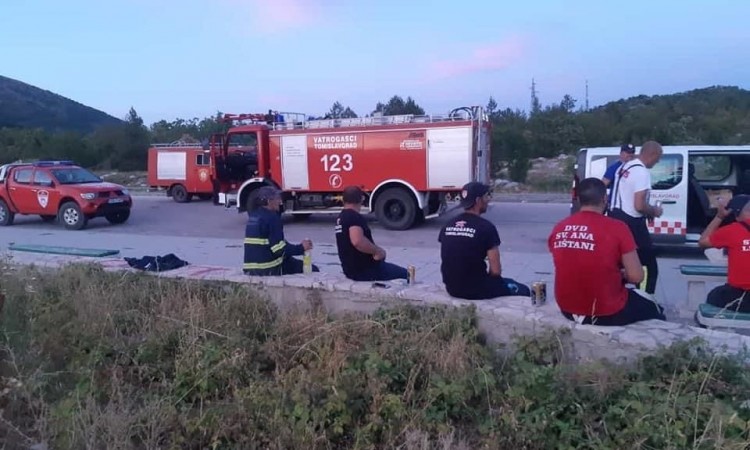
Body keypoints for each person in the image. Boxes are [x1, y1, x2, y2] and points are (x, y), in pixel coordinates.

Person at [548, 177, 666, 325]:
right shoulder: (618, 227)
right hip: (606, 311)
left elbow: (574, 262)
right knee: (656, 310)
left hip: (567, 308)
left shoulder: (559, 227)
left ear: (578, 199)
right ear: (605, 198)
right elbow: (636, 277)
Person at [438, 181, 531, 300]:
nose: (488, 200)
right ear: (478, 201)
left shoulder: (448, 225)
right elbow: (496, 271)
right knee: (523, 289)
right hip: (477, 289)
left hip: (451, 288)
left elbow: (450, 255)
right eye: (486, 196)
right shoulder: (486, 227)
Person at [607, 140, 664, 294]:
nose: (657, 162)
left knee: (618, 263)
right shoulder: (641, 172)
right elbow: (639, 205)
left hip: (615, 217)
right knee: (648, 266)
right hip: (632, 223)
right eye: (657, 159)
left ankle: (614, 295)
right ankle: (646, 299)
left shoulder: (624, 166)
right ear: (652, 155)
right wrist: (654, 211)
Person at [334, 186, 409, 281]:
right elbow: (357, 241)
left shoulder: (340, 218)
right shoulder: (354, 217)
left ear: (343, 200)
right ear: (361, 199)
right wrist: (377, 251)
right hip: (366, 270)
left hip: (351, 270)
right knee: (406, 274)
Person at [243, 186, 319, 275]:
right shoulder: (272, 218)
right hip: (268, 268)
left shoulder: (254, 216)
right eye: (277, 198)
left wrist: (296, 248)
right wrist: (301, 248)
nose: (280, 201)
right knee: (313, 269)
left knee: (292, 262)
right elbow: (279, 250)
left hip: (250, 269)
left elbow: (275, 243)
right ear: (269, 201)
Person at [697, 194, 750, 312]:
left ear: (735, 213)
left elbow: (702, 242)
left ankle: (708, 328)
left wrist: (719, 217)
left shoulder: (732, 230)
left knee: (714, 296)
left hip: (741, 296)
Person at [602, 143, 636, 210]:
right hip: (617, 207)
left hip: (631, 207)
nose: (630, 155)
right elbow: (602, 185)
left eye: (632, 152)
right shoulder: (614, 168)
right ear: (621, 153)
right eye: (627, 152)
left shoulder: (635, 168)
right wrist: (605, 199)